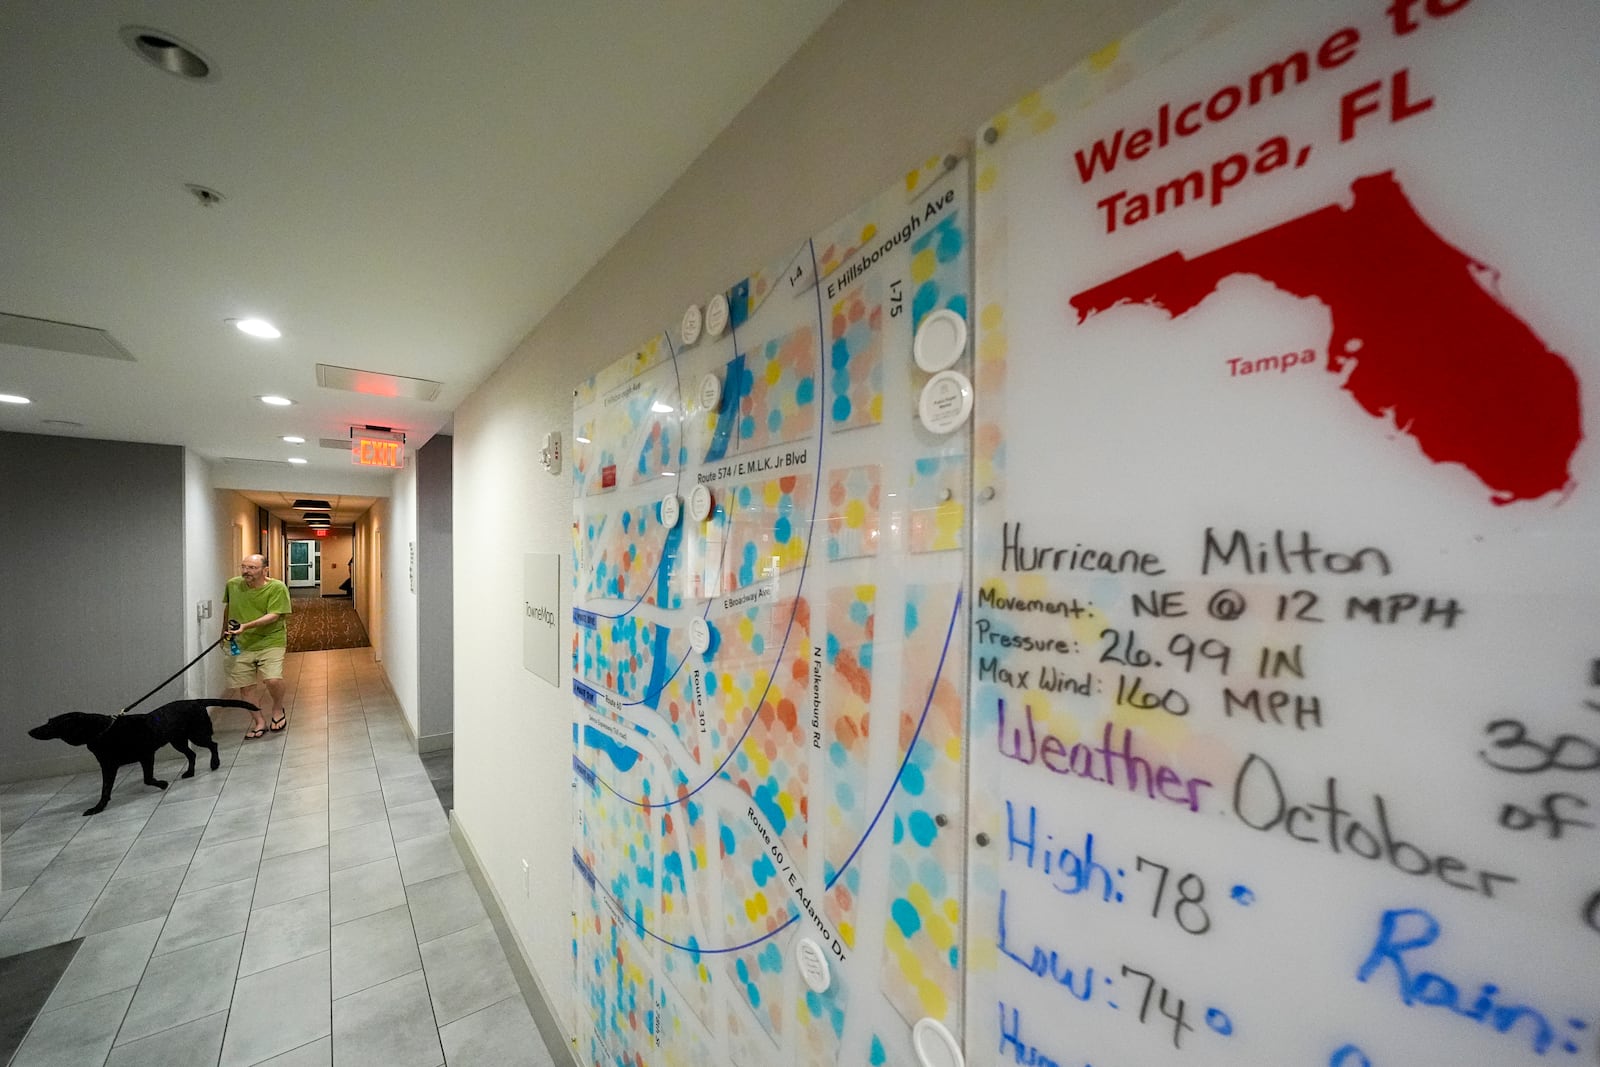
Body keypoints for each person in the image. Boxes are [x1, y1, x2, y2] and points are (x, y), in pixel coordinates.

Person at [221, 553, 292, 739]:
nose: (246, 571)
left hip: (270, 640)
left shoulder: (277, 588)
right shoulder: (233, 584)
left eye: (252, 568)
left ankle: (277, 708)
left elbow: (274, 615)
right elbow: (229, 609)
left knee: (273, 679)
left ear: (265, 569)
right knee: (245, 686)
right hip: (240, 643)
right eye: (244, 567)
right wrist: (223, 633)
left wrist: (246, 626)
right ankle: (259, 721)